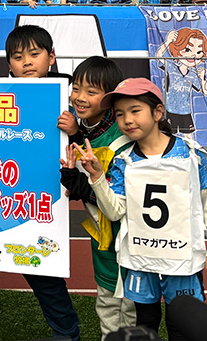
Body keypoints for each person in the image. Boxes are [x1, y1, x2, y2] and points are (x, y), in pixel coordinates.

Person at [69, 78, 207, 341]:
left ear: (157, 112)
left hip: (182, 257)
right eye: (120, 114)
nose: (128, 120)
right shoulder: (123, 161)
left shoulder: (191, 154)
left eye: (135, 111)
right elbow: (115, 212)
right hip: (141, 257)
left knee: (181, 323)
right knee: (145, 321)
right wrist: (97, 177)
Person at [0, 25, 81, 341]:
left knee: (44, 274)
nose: (27, 62)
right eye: (18, 57)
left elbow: (82, 149)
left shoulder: (65, 98)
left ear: (51, 57)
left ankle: (67, 334)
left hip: (34, 207)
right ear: (8, 63)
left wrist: (75, 131)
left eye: (34, 54)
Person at [57, 56, 136, 339]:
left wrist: (76, 136)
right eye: (76, 88)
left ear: (109, 98)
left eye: (91, 92)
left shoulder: (122, 135)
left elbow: (112, 196)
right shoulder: (79, 123)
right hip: (103, 234)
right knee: (107, 300)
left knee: (131, 304)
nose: (80, 97)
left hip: (128, 234)